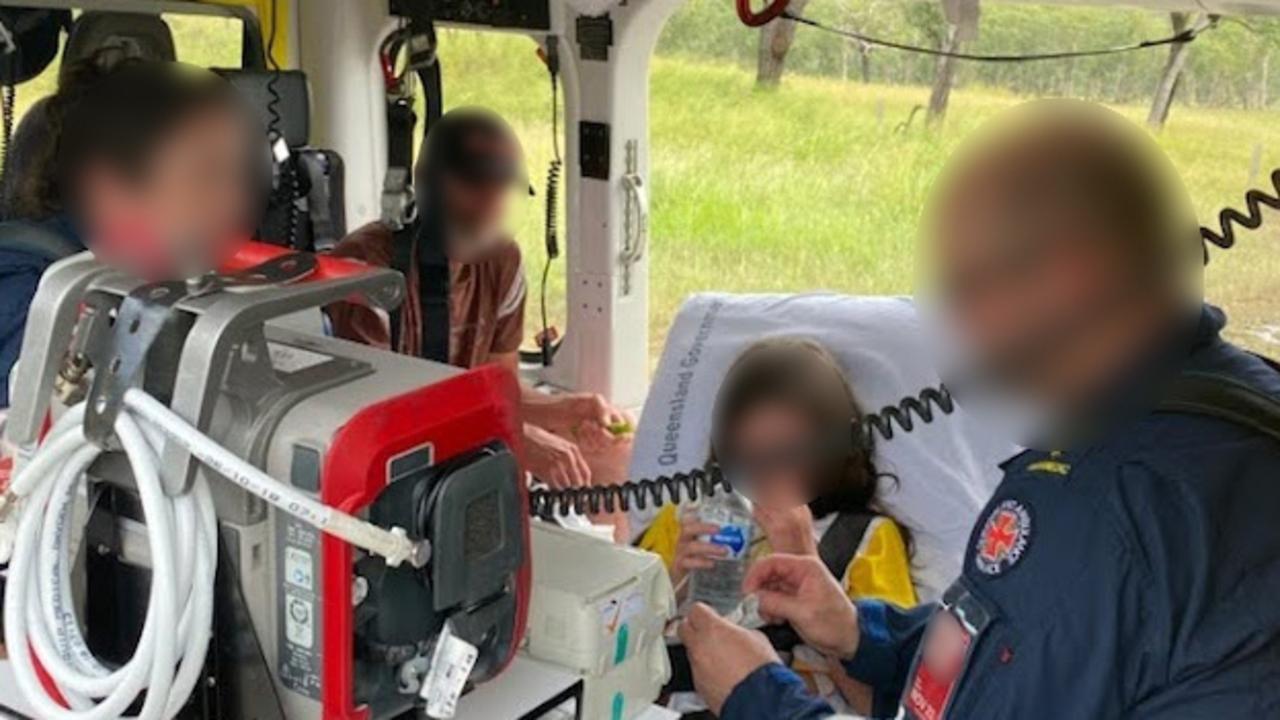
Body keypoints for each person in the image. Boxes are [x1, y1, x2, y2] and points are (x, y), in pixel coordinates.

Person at [678, 99, 1280, 719]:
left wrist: (755, 697)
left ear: (1070, 278)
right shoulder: (1244, 405)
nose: (963, 329)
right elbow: (1004, 657)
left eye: (969, 288)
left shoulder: (1094, 506)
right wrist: (860, 633)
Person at [326, 107, 630, 490]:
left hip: (458, 446)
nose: (489, 207)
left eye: (499, 190)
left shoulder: (501, 262)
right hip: (382, 462)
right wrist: (513, 435)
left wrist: (566, 409)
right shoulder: (366, 270)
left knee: (614, 466)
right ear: (431, 187)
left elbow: (495, 386)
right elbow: (374, 411)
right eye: (473, 187)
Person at [644, 337, 915, 715]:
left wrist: (806, 557)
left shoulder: (866, 540)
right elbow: (611, 644)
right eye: (749, 455)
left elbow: (879, 705)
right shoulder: (683, 521)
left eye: (788, 453)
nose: (766, 473)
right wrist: (671, 585)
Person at [0, 57, 257, 407]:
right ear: (110, 188)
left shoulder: (196, 272)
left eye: (239, 172)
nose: (236, 199)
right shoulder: (28, 295)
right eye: (207, 174)